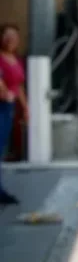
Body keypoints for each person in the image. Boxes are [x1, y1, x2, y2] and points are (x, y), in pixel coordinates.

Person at [0, 25, 27, 205]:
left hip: (9, 110)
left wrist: (26, 108)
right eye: (7, 36)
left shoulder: (15, 59)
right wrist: (3, 92)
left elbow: (18, 86)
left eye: (14, 36)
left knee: (1, 149)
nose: (11, 39)